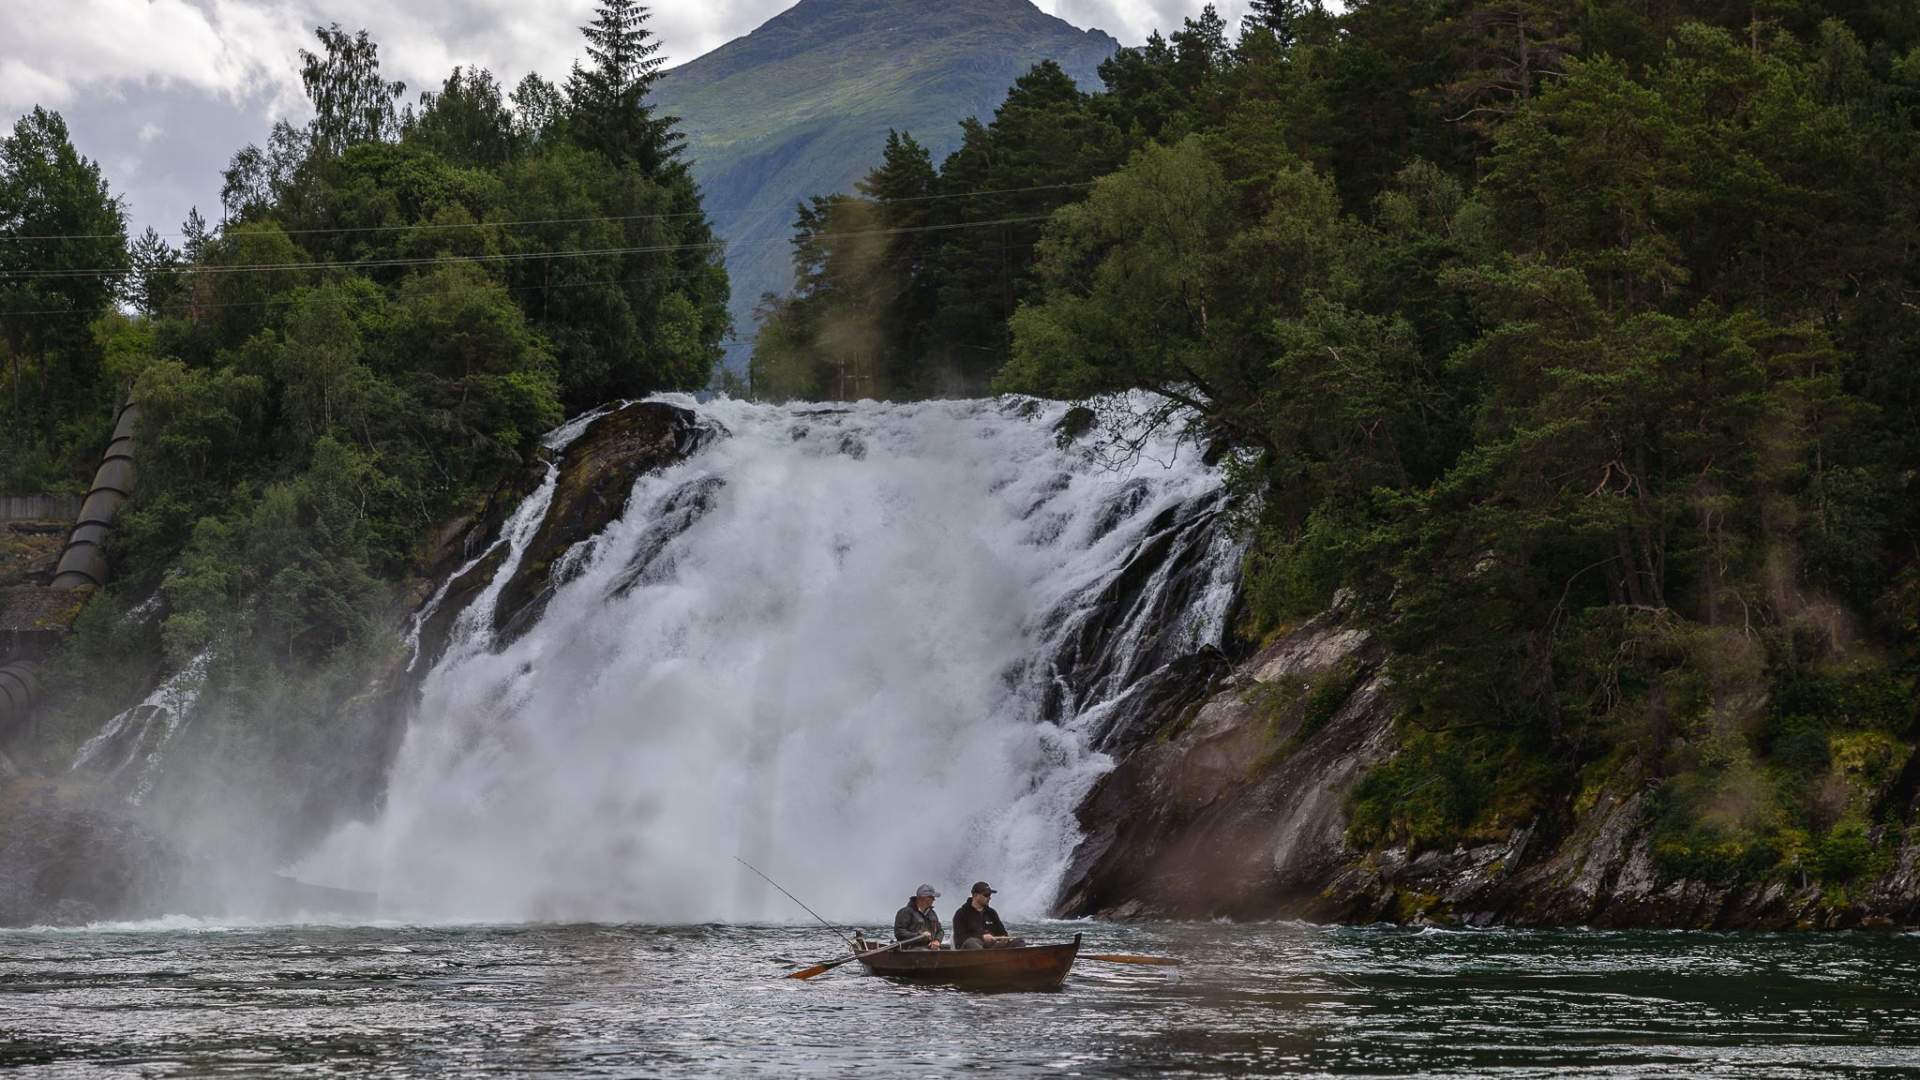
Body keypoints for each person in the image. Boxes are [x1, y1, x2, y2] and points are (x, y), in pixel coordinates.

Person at [952, 881, 1022, 949]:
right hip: (969, 952)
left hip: (992, 949)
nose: (989, 898)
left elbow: (1002, 933)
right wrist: (982, 937)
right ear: (975, 895)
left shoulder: (992, 913)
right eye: (986, 895)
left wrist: (1004, 939)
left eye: (990, 895)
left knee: (1019, 941)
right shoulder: (961, 913)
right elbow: (959, 939)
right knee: (971, 942)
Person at [894, 884, 944, 949]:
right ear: (922, 897)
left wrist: (937, 940)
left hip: (929, 949)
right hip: (910, 949)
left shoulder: (932, 913)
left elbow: (940, 931)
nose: (934, 899)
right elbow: (899, 932)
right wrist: (920, 935)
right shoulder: (905, 912)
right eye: (931, 897)